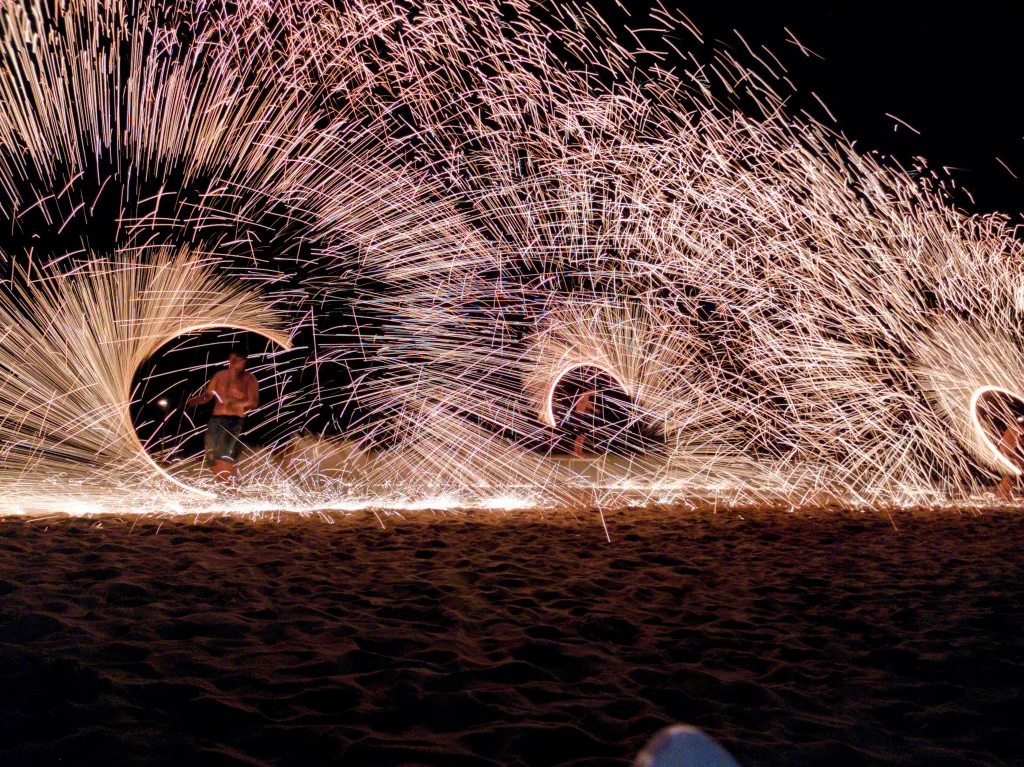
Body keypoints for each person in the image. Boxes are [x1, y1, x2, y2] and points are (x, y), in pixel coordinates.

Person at [186, 348, 259, 484]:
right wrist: (193, 401)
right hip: (216, 419)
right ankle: (225, 485)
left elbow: (253, 402)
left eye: (237, 361)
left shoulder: (249, 378)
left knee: (224, 454)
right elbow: (208, 395)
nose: (233, 363)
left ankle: (229, 487)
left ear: (244, 362)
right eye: (231, 360)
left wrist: (237, 403)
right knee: (211, 455)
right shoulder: (220, 375)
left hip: (234, 420)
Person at [995, 417, 1024, 499]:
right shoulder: (1015, 432)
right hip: (1011, 453)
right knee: (1010, 477)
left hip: (1011, 453)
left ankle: (1000, 495)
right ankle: (1000, 495)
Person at [569, 386, 597, 458]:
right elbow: (587, 404)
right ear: (591, 390)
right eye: (594, 392)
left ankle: (579, 452)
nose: (594, 394)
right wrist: (594, 409)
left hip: (580, 416)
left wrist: (592, 411)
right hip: (578, 416)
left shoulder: (585, 396)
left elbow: (585, 405)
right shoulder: (584, 395)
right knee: (580, 435)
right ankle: (577, 452)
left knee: (582, 435)